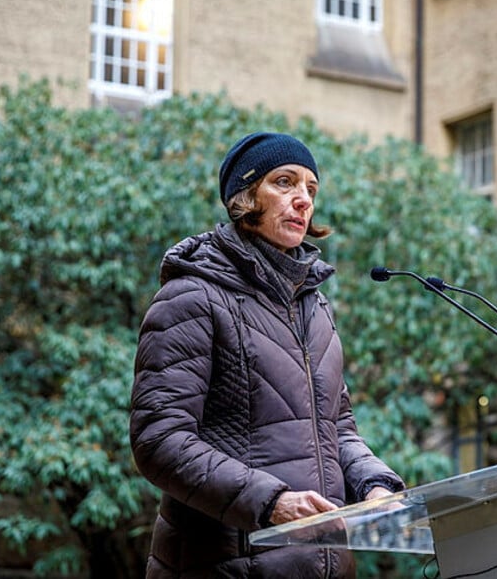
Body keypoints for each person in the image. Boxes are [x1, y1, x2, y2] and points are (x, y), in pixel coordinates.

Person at [130, 131, 404, 578]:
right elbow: (159, 439)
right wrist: (271, 501)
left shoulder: (314, 308)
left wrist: (375, 484)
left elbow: (336, 427)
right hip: (224, 566)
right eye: (285, 182)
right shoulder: (191, 297)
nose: (303, 200)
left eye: (311, 189)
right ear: (244, 197)